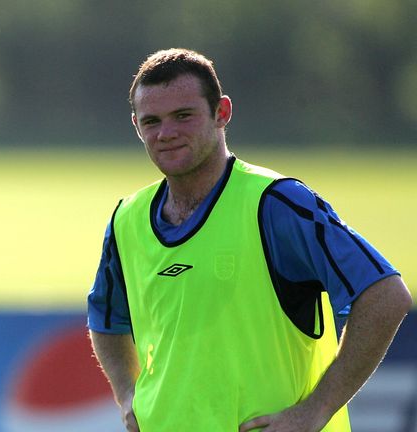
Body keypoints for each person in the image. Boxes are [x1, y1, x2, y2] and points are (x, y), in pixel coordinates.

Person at [87, 48, 412, 431]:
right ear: (136, 126)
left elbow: (386, 296)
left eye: (183, 116)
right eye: (152, 121)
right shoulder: (128, 218)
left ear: (221, 113)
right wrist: (127, 395)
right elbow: (106, 319)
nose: (166, 133)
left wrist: (315, 410)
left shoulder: (276, 203)